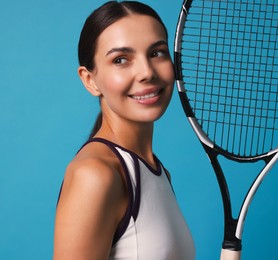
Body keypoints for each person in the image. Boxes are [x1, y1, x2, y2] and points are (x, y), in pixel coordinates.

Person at [53, 1, 195, 259]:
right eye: (121, 60)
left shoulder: (158, 173)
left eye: (157, 53)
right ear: (90, 80)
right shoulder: (95, 175)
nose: (146, 72)